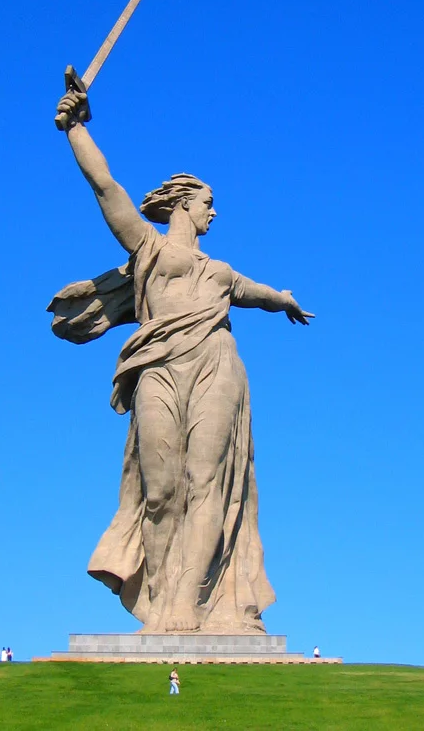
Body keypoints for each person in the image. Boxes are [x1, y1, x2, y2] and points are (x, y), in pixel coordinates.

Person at [49, 90, 313, 634]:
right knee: (161, 489)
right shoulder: (148, 248)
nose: (214, 211)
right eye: (208, 202)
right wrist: (76, 129)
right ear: (183, 203)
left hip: (216, 362)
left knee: (206, 481)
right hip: (159, 367)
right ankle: (161, 598)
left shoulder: (221, 272)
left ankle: (187, 606)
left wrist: (284, 299)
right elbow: (106, 187)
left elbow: (259, 293)